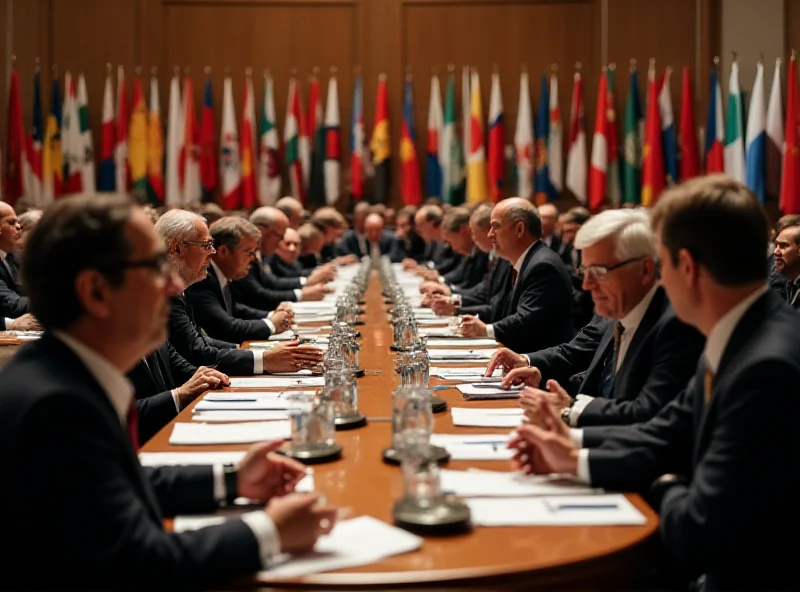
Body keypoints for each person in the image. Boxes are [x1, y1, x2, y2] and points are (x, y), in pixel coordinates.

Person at [0, 194, 338, 589]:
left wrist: (232, 480)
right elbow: (134, 561)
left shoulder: (71, 372)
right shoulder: (54, 407)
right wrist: (268, 531)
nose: (176, 284)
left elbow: (123, 482)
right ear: (94, 291)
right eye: (155, 267)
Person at [509, 176, 800, 591]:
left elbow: (699, 532)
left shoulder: (766, 366)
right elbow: (669, 430)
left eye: (660, 263)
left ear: (686, 267)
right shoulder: (740, 330)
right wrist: (573, 456)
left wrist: (666, 479)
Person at [486, 209, 704, 427]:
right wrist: (540, 377)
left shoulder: (674, 326)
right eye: (585, 271)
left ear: (645, 269)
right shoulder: (619, 308)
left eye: (599, 271)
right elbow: (594, 375)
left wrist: (569, 411)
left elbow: (646, 415)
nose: (586, 285)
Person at [156, 210, 323, 376]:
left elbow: (199, 341)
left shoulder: (182, 285)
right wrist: (263, 356)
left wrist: (253, 351)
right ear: (177, 248)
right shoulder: (174, 290)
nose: (212, 252)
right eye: (206, 245)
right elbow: (201, 348)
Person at [457, 198, 574, 353]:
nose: (490, 234)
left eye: (495, 227)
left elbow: (527, 321)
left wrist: (486, 330)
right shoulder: (521, 261)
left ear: (519, 229)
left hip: (538, 369)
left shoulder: (542, 266)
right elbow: (499, 308)